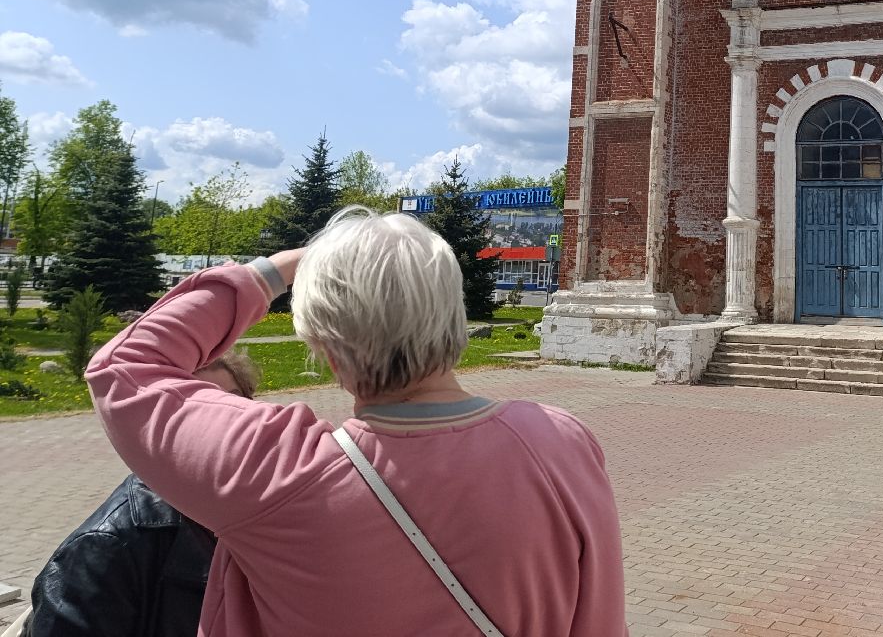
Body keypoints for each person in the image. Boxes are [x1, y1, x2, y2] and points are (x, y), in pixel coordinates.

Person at [87, 208, 627, 636]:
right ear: (452, 313)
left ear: (322, 344)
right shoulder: (562, 443)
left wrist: (277, 269)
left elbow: (125, 367)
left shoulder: (274, 471)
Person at [25, 353, 260, 637]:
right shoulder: (104, 548)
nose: (224, 424)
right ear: (159, 426)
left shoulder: (263, 511)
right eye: (197, 409)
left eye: (235, 403)